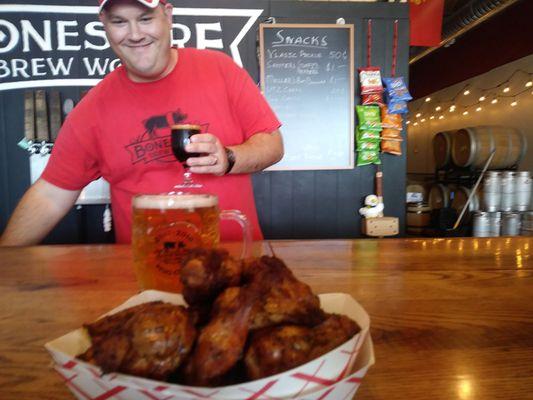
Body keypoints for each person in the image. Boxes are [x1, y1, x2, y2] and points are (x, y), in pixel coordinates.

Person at [0, 0, 283, 246]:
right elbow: (50, 195)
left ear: (168, 16)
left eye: (145, 19)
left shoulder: (220, 70)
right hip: (149, 277)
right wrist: (6, 261)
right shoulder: (93, 109)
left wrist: (230, 157)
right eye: (120, 22)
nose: (135, 34)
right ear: (105, 25)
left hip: (235, 267)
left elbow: (272, 144)